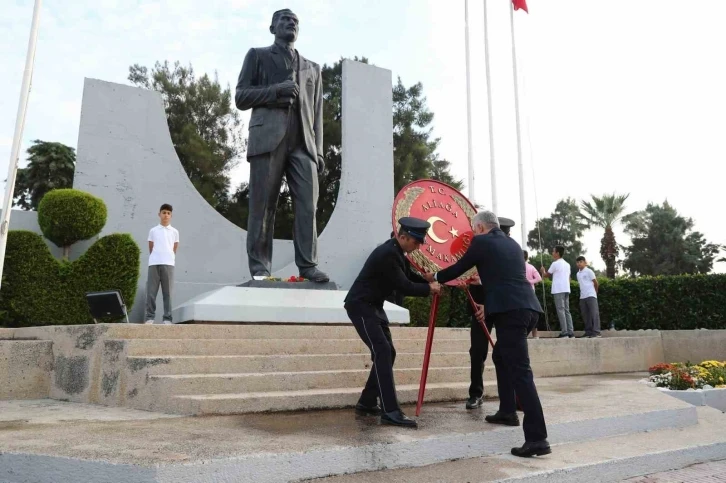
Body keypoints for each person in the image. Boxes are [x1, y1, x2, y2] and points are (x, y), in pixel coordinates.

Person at [425, 211, 550, 458]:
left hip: (511, 313)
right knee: (501, 357)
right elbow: (504, 280)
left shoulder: (481, 242)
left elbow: (459, 268)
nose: (473, 234)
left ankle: (538, 439)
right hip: (528, 309)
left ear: (480, 227)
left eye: (474, 230)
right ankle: (507, 411)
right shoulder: (512, 244)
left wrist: (435, 276)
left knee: (521, 373)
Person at [235, 9, 329, 283]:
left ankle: (308, 265)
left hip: (304, 145)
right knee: (263, 206)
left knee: (308, 207)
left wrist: (319, 150)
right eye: (285, 20)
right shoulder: (258, 55)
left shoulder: (313, 68)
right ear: (272, 27)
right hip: (267, 141)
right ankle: (260, 269)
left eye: (295, 21)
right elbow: (241, 96)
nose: (291, 23)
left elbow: (318, 111)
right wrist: (276, 91)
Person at [344, 217, 442, 428]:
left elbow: (408, 275)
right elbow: (404, 285)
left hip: (374, 307)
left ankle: (368, 402)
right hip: (361, 306)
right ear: (403, 236)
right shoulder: (388, 253)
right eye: (416, 242)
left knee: (389, 352)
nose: (418, 246)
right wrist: (429, 289)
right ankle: (390, 411)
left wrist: (425, 278)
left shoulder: (398, 251)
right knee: (383, 351)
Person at [145, 204, 179, 324]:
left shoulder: (175, 232)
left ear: (171, 216)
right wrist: (156, 257)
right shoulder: (153, 230)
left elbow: (174, 248)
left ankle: (167, 318)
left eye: (168, 213)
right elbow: (151, 247)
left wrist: (168, 257)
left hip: (168, 264)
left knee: (168, 293)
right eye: (164, 212)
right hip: (154, 263)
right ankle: (149, 317)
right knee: (151, 292)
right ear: (159, 214)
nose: (166, 215)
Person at [540, 246, 574, 338]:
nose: (552, 253)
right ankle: (570, 332)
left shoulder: (555, 264)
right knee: (567, 310)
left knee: (560, 310)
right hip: (566, 289)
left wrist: (543, 271)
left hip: (558, 289)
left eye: (553, 251)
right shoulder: (567, 264)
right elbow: (569, 278)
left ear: (557, 253)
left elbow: (547, 275)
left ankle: (564, 332)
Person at [576, 256, 601, 338]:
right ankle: (588, 331)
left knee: (594, 314)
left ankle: (596, 332)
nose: (579, 263)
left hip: (591, 295)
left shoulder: (589, 271)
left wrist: (595, 292)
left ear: (584, 262)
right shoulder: (578, 274)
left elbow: (595, 282)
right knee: (585, 315)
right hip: (582, 296)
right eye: (578, 262)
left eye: (581, 262)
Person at [524, 251, 543, 338]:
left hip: (521, 293)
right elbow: (539, 278)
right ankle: (535, 335)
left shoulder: (517, 266)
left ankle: (525, 333)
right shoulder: (531, 267)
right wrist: (530, 282)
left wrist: (527, 282)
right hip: (531, 293)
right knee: (533, 313)